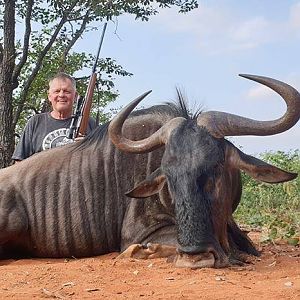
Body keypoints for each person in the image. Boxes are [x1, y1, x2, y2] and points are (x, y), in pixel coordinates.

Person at [12, 72, 97, 162]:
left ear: (75, 96)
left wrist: (88, 148)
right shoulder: (35, 122)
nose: (61, 95)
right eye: (57, 91)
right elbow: (19, 162)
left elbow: (102, 161)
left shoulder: (89, 123)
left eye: (67, 91)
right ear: (49, 96)